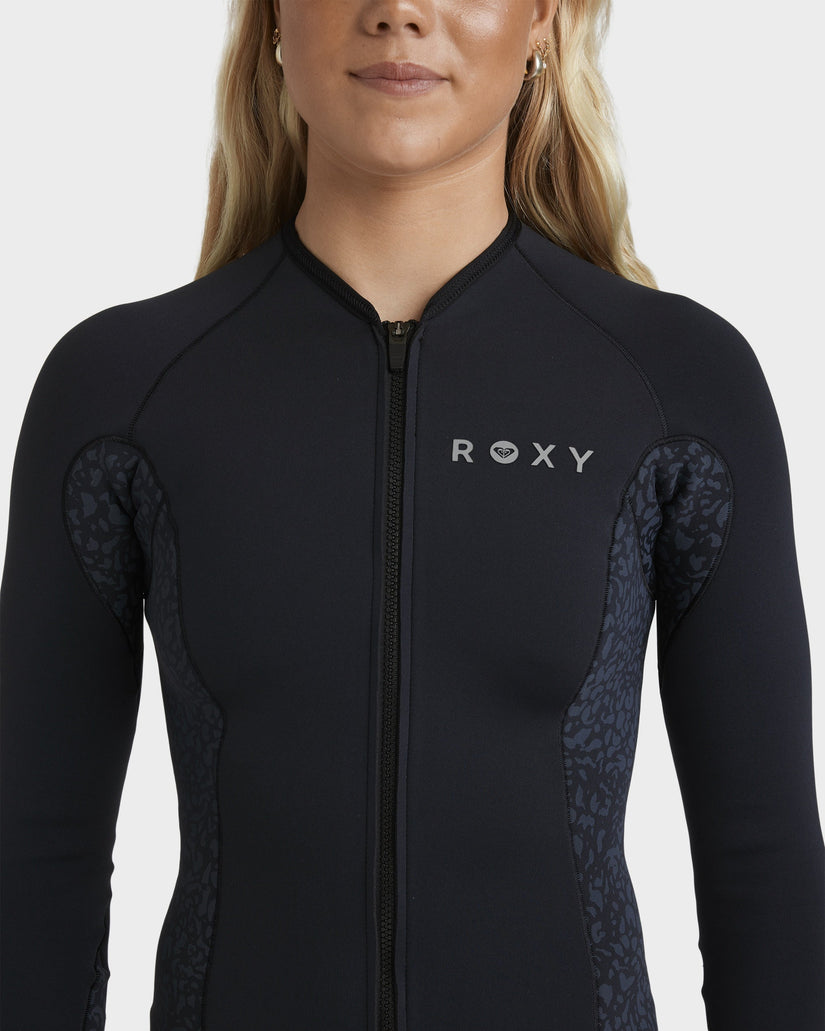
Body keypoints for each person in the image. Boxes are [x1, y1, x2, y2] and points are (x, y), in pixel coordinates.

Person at [1, 1, 823, 1029]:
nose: (398, 11)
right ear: (274, 20)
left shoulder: (678, 388)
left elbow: (763, 865)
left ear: (542, 21)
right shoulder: (121, 393)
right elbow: (35, 852)